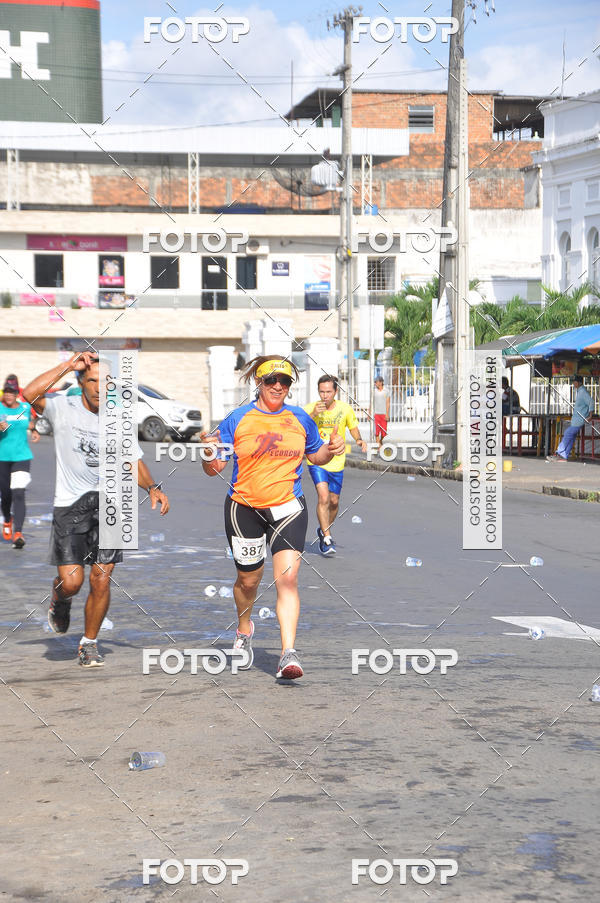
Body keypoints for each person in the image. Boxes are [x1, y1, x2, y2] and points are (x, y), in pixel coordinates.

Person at [201, 356, 345, 680]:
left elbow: (316, 454)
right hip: (245, 509)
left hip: (288, 507)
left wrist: (332, 450)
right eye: (271, 381)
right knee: (248, 581)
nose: (278, 386)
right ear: (259, 383)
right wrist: (209, 453)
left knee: (288, 579)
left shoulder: (300, 418)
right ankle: (243, 628)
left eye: (285, 382)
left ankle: (288, 654)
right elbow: (214, 470)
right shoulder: (238, 419)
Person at [23, 352, 170, 668]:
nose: (100, 387)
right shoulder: (63, 407)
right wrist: (66, 365)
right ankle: (60, 599)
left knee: (102, 579)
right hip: (71, 505)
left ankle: (89, 643)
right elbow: (29, 394)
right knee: (73, 583)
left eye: (106, 381)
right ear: (80, 382)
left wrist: (152, 487)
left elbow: (132, 460)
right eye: (92, 380)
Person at [304, 375, 367, 556]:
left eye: (328, 392)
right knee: (323, 497)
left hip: (337, 460)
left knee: (334, 501)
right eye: (321, 392)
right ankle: (326, 537)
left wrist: (359, 440)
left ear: (335, 391)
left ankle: (324, 528)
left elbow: (352, 426)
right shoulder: (311, 409)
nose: (325, 396)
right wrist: (313, 414)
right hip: (316, 459)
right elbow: (297, 425)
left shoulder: (344, 409)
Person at [0, 375, 39, 549]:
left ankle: (18, 533)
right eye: (6, 391)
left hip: (22, 457)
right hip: (2, 458)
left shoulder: (24, 407)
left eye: (12, 392)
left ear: (17, 393)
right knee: (6, 494)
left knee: (18, 493)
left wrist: (35, 429)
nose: (8, 395)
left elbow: (30, 422)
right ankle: (7, 519)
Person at [547, 374, 593, 462]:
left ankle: (559, 453)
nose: (573, 383)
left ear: (579, 382)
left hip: (580, 419)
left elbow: (591, 402)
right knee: (571, 436)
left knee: (568, 433)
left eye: (574, 381)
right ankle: (564, 456)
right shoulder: (579, 391)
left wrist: (590, 416)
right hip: (576, 419)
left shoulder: (583, 392)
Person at [372, 377, 390, 447]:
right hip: (376, 414)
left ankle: (380, 441)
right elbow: (371, 402)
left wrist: (387, 414)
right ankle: (378, 446)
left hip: (384, 414)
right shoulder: (374, 391)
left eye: (376, 382)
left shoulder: (386, 391)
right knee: (376, 432)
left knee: (384, 432)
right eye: (375, 382)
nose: (375, 383)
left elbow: (388, 403)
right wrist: (369, 412)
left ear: (381, 382)